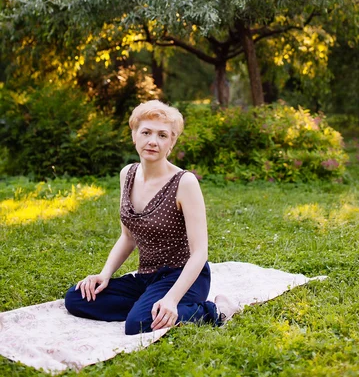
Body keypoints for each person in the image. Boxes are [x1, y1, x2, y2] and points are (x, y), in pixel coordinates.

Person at [65, 100, 238, 334]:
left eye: (162, 135)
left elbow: (200, 253)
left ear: (171, 142)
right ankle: (148, 305)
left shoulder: (184, 182)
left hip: (183, 276)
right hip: (146, 276)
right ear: (134, 135)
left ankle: (215, 310)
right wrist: (104, 274)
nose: (153, 141)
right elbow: (127, 237)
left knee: (139, 323)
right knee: (77, 298)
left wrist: (172, 299)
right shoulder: (128, 174)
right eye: (145, 132)